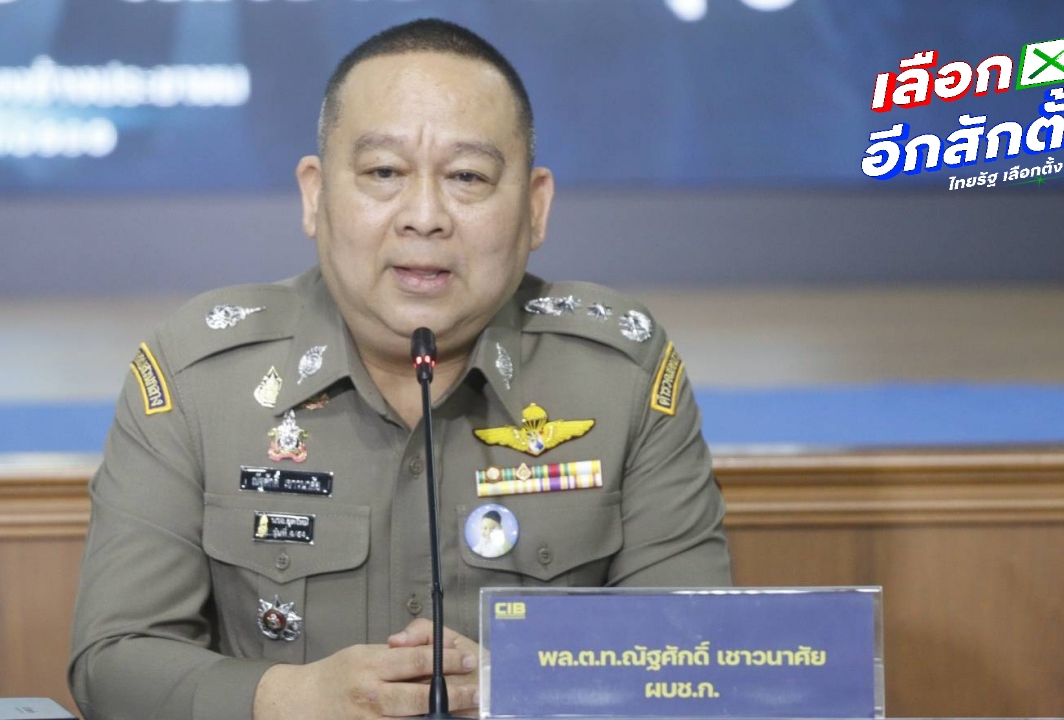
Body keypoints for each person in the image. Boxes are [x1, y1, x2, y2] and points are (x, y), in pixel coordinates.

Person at [68, 17, 731, 720]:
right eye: (384, 173)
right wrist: (290, 697)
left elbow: (701, 656)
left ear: (535, 209)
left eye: (467, 177)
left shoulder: (620, 377)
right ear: (314, 195)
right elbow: (114, 661)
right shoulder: (199, 377)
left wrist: (526, 686)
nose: (424, 216)